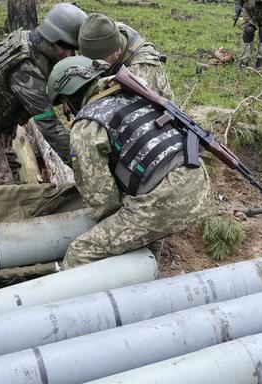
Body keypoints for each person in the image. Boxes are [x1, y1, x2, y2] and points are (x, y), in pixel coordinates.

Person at [46, 56, 214, 269]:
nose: (67, 112)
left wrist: (109, 224)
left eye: (64, 105)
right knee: (144, 228)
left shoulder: (87, 126)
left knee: (81, 252)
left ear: (69, 96)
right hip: (199, 182)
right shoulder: (135, 92)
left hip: (166, 200)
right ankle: (147, 277)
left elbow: (101, 198)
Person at [0, 3, 87, 183]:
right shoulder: (25, 68)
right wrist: (83, 168)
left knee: (15, 174)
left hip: (0, 126)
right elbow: (50, 127)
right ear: (53, 38)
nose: (71, 54)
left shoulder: (32, 40)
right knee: (3, 187)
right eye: (68, 47)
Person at [76, 13, 175, 100]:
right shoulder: (108, 31)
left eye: (101, 63)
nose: (96, 67)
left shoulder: (140, 69)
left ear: (117, 52)